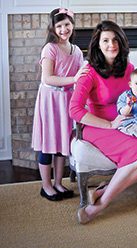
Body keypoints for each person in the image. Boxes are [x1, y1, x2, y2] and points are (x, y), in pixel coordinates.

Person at [69, 21, 137, 224]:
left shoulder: (129, 69)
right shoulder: (89, 72)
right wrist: (109, 125)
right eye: (105, 40)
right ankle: (98, 207)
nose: (111, 44)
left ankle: (104, 191)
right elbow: (74, 110)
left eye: (115, 39)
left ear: (122, 42)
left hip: (129, 123)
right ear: (97, 44)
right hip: (99, 125)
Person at [32, 8, 87, 201]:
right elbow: (48, 78)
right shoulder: (50, 48)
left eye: (67, 24)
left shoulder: (77, 51)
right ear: (53, 28)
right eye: (59, 25)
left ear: (72, 25)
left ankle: (57, 183)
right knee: (48, 142)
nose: (64, 29)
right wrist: (75, 78)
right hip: (50, 100)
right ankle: (46, 185)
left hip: (66, 100)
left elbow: (82, 77)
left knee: (62, 141)